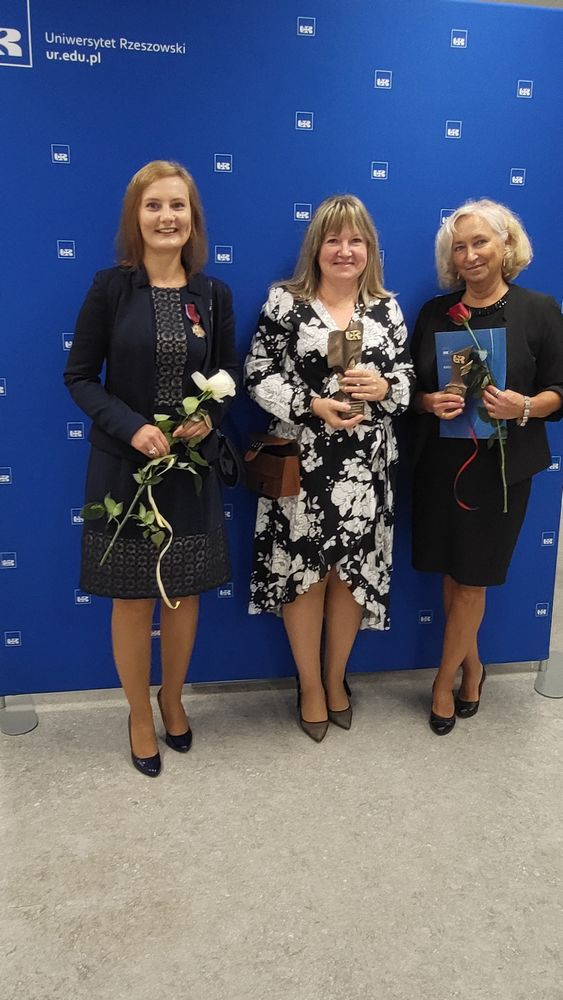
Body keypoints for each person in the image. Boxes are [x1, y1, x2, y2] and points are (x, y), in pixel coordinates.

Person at [64, 160, 238, 775]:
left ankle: (172, 698)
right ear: (135, 217)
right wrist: (131, 427)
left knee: (183, 594)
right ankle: (139, 713)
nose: (167, 217)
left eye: (178, 205)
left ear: (194, 219)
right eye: (154, 205)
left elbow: (227, 375)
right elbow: (80, 377)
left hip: (189, 472)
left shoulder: (213, 295)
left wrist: (209, 417)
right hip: (124, 469)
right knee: (135, 600)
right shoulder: (110, 288)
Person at [244, 194, 414, 741]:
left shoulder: (386, 309)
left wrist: (384, 388)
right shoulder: (285, 303)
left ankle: (337, 677)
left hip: (367, 469)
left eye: (356, 240)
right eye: (334, 240)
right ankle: (310, 685)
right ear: (316, 247)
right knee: (306, 574)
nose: (345, 250)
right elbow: (257, 373)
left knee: (350, 577)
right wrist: (310, 404)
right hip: (304, 464)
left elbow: (408, 382)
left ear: (370, 249)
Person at [410, 198, 563, 735]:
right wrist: (430, 402)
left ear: (506, 245)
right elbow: (411, 390)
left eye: (480, 242)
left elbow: (560, 390)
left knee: (473, 580)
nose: (470, 255)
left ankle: (442, 683)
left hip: (501, 472)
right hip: (441, 466)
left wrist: (523, 406)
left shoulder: (538, 309)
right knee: (453, 577)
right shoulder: (434, 313)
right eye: (460, 247)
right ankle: (472, 668)